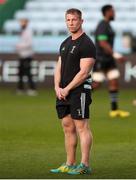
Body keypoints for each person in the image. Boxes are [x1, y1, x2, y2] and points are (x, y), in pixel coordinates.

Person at [50, 8, 96, 175]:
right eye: (68, 20)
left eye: (74, 20)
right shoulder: (65, 43)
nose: (71, 23)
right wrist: (57, 87)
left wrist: (67, 88)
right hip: (63, 92)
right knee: (67, 126)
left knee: (82, 127)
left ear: (81, 21)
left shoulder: (87, 44)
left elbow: (84, 73)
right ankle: (70, 163)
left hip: (79, 91)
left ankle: (84, 165)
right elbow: (59, 67)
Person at [93, 4, 130, 118]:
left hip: (108, 59)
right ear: (107, 12)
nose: (114, 13)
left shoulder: (108, 25)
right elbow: (103, 43)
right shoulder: (102, 25)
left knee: (114, 81)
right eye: (112, 11)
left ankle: (114, 110)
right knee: (96, 84)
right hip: (101, 58)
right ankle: (76, 97)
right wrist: (115, 54)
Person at [16, 18, 37, 96]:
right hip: (22, 55)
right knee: (20, 73)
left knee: (28, 73)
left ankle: (32, 89)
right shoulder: (22, 31)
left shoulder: (28, 32)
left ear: (26, 23)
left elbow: (29, 44)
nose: (21, 24)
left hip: (27, 55)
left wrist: (19, 46)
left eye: (23, 22)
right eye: (21, 22)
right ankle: (20, 89)